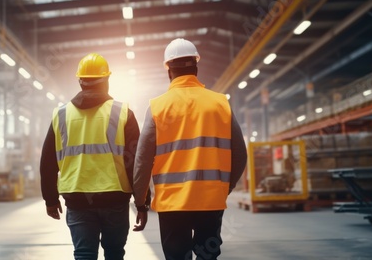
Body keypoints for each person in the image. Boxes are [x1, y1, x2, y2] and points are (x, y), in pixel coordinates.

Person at [132, 38, 248, 260]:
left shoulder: (157, 107)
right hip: (211, 199)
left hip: (172, 204)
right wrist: (225, 186)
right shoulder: (220, 103)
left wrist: (141, 202)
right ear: (196, 66)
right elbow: (240, 153)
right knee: (207, 256)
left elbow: (142, 161)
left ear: (169, 71)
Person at [40, 53, 144, 260]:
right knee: (114, 253)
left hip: (77, 199)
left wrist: (50, 200)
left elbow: (47, 163)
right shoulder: (122, 112)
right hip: (114, 197)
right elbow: (136, 162)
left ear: (80, 80)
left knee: (84, 254)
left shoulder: (61, 115)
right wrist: (142, 202)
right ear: (106, 80)